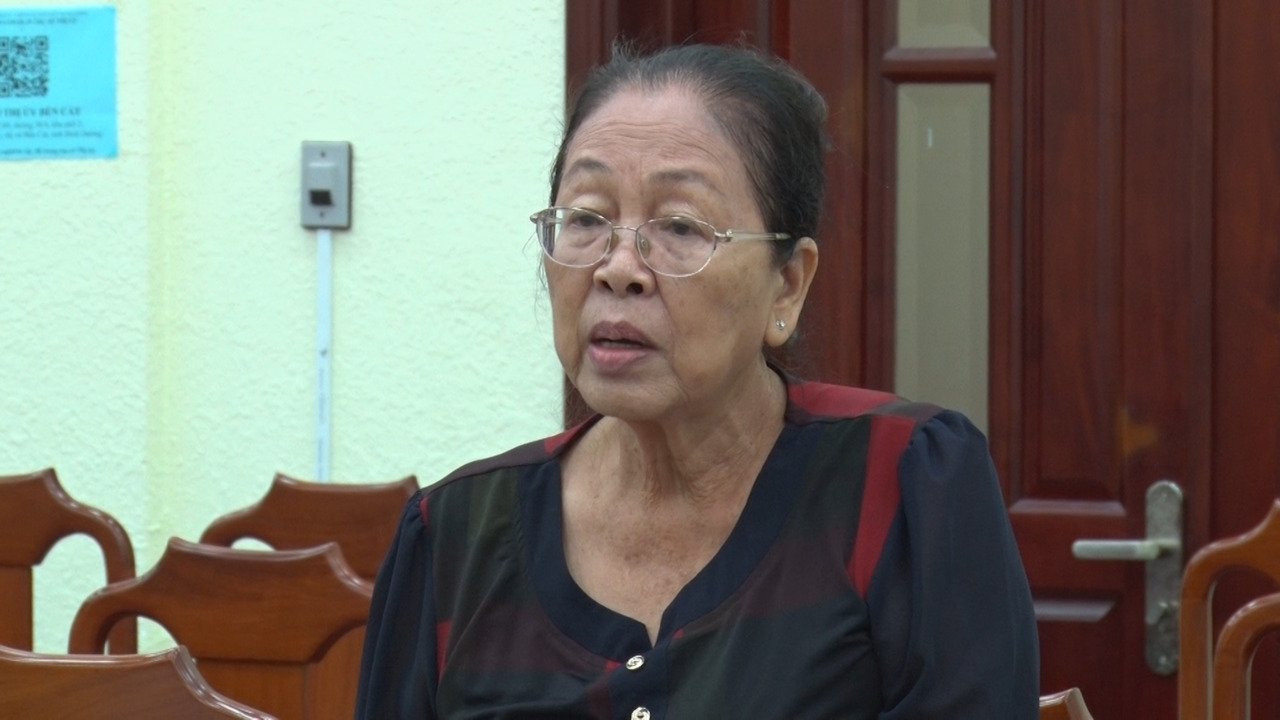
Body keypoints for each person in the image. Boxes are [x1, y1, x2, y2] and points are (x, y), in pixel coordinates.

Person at [355, 42, 1039, 719]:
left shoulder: (903, 486)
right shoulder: (453, 539)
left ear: (787, 285)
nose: (618, 268)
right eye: (587, 219)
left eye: (681, 227)